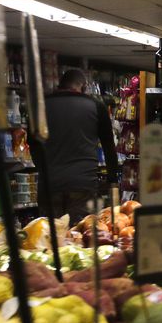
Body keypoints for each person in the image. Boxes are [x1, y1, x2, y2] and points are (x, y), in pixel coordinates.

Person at [31, 69, 119, 224]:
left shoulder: (41, 106)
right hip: (83, 183)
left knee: (49, 235)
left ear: (60, 85)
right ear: (83, 87)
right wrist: (112, 180)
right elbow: (108, 146)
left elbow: (33, 145)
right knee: (80, 234)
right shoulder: (96, 106)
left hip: (50, 184)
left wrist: (44, 169)